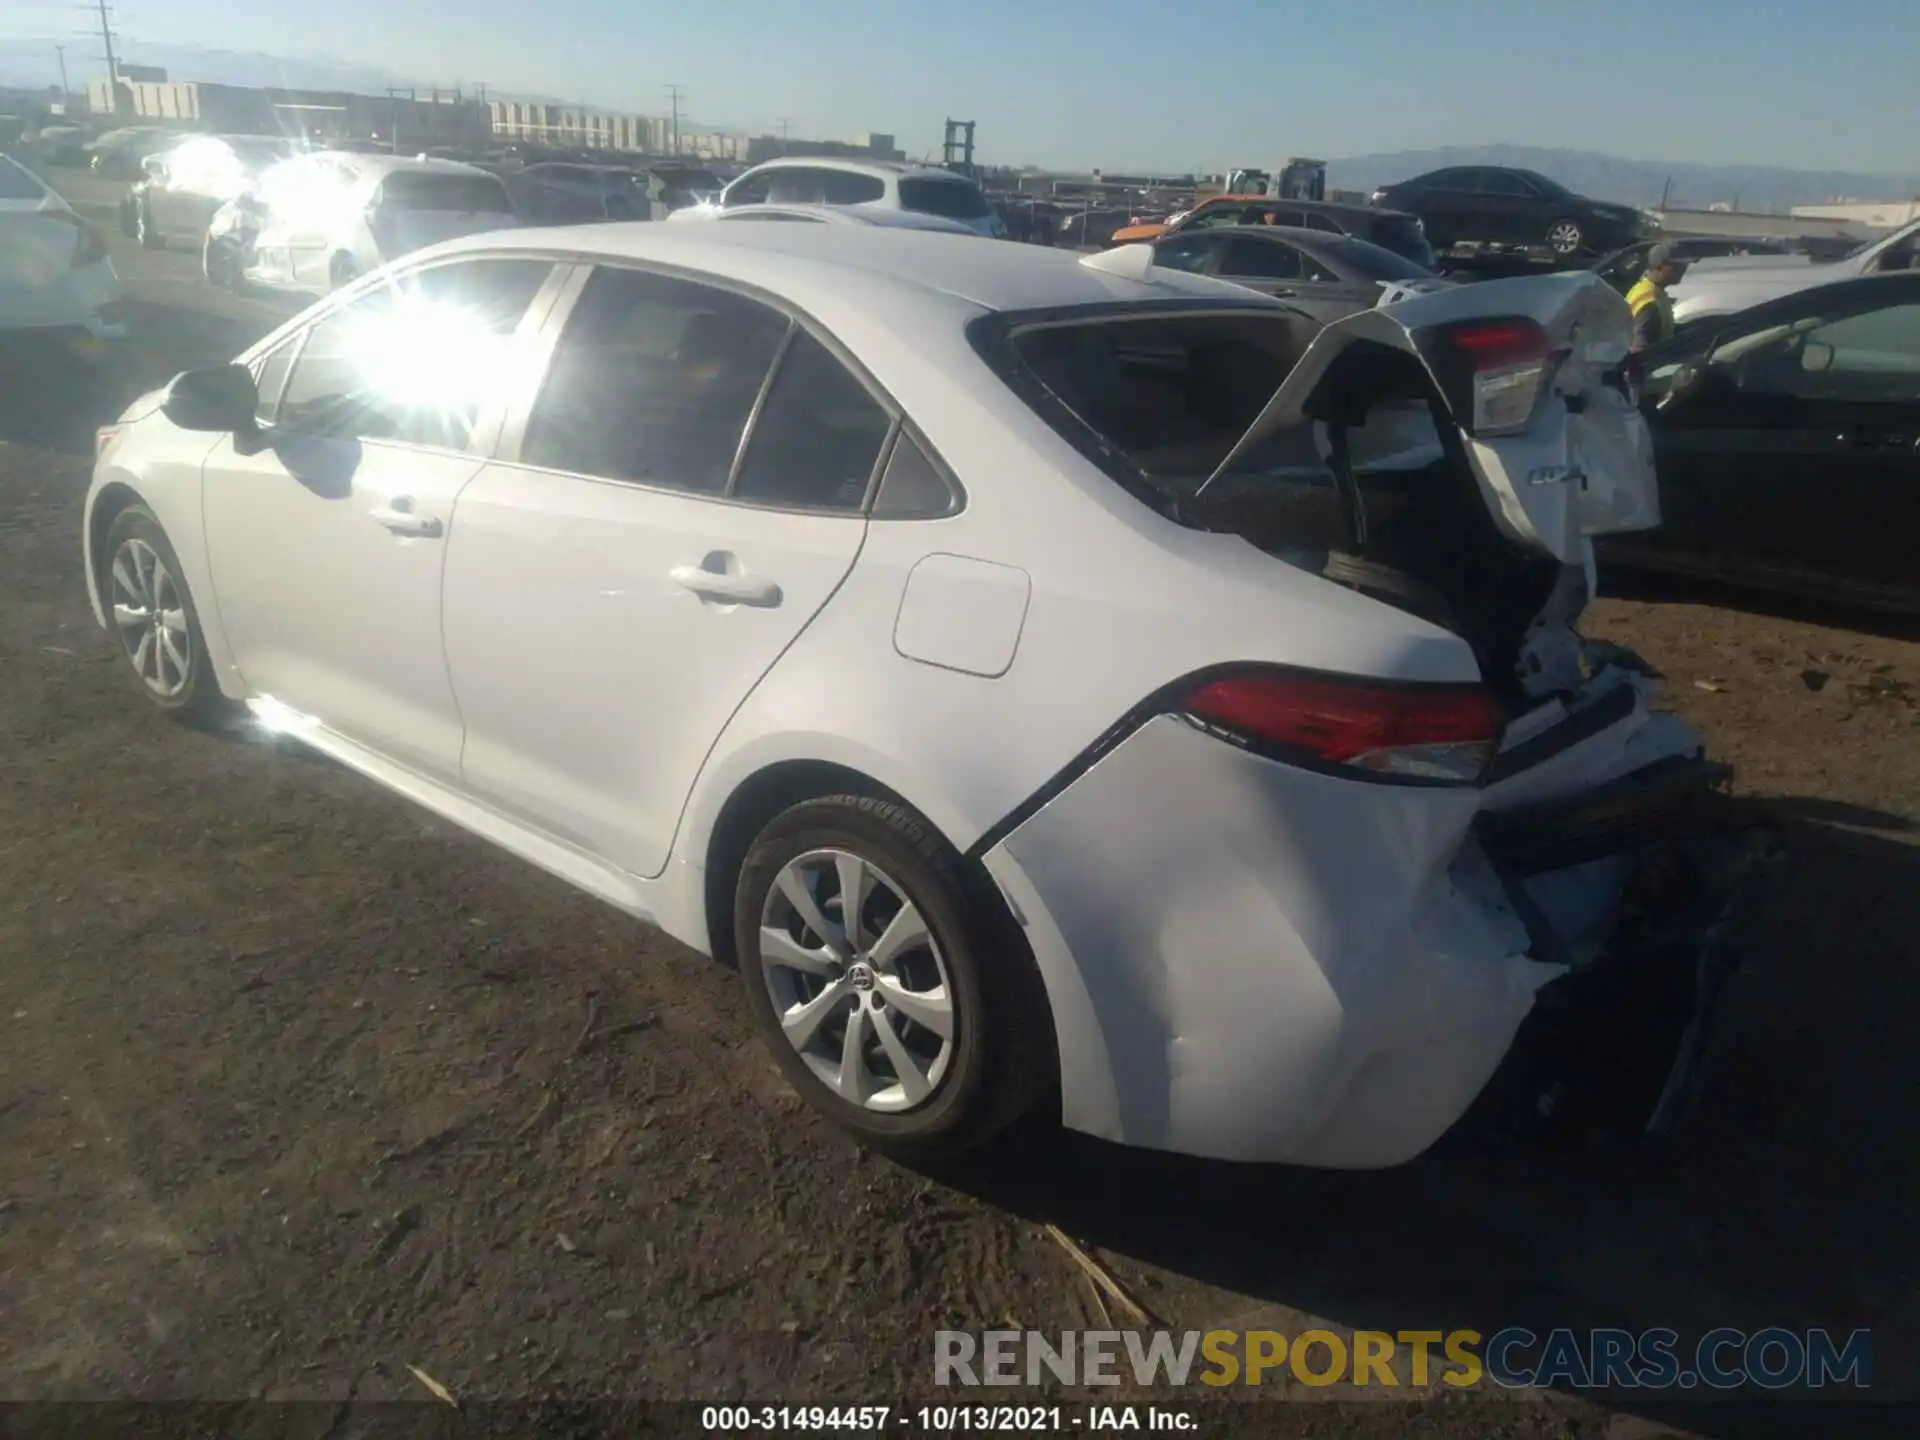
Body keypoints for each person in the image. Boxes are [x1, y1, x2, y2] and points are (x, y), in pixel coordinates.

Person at [1626, 242, 1684, 351]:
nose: (1682, 269)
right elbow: (1638, 350)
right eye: (1677, 266)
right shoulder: (1649, 303)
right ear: (1659, 267)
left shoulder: (1653, 290)